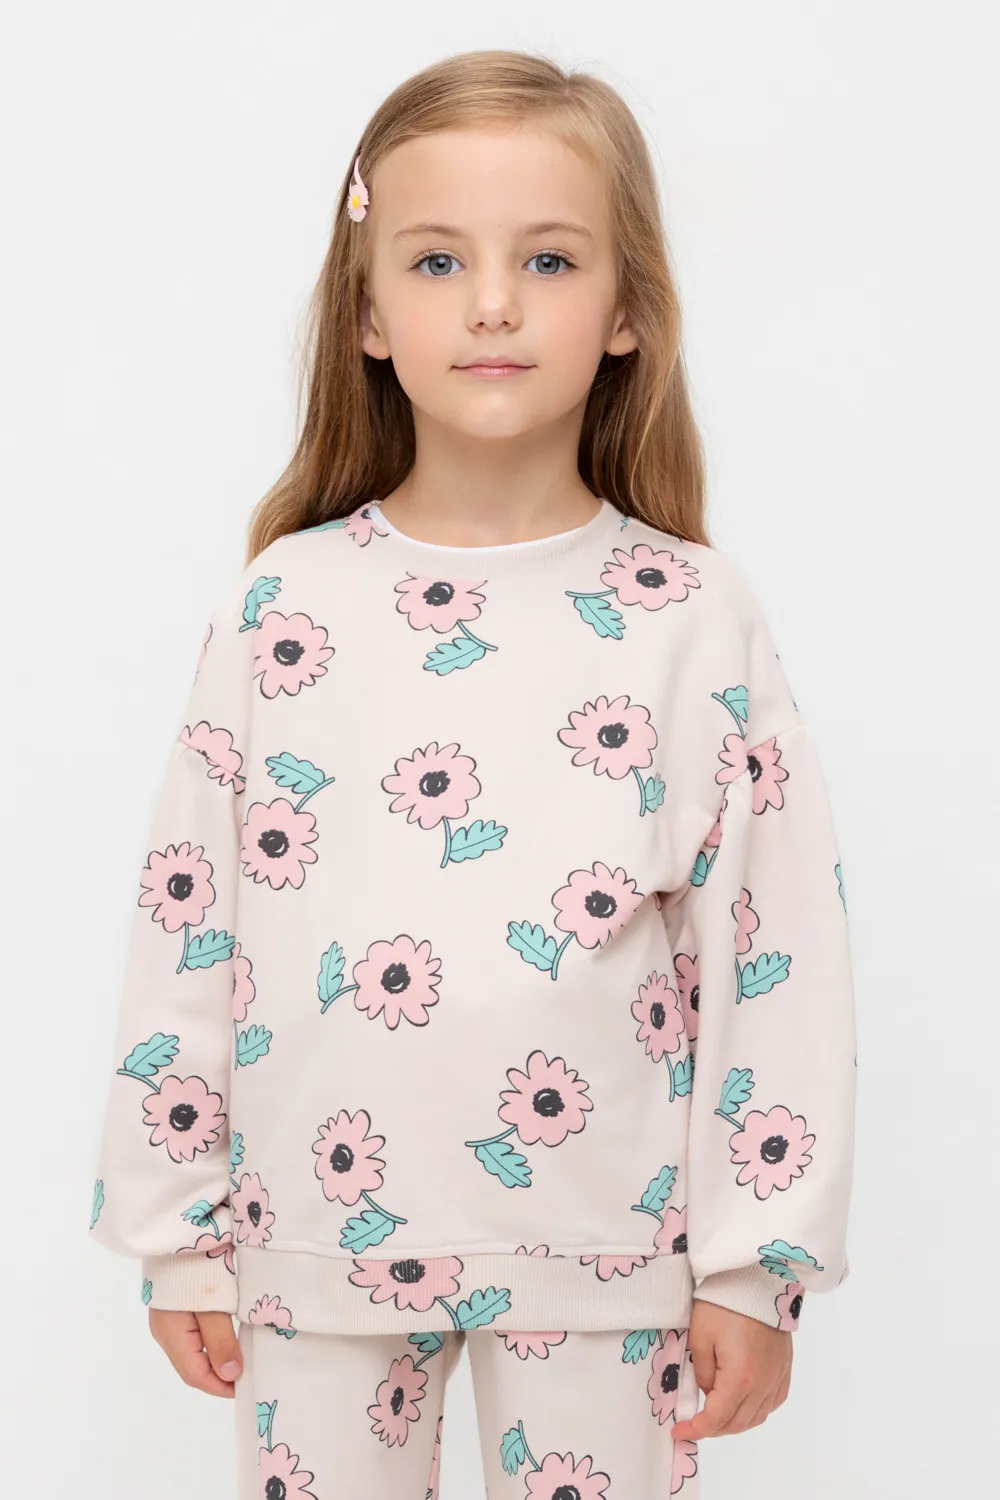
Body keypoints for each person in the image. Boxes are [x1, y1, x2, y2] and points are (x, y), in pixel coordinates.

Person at [87, 47, 858, 1500]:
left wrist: (757, 1261)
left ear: (626, 309)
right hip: (312, 1245)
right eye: (438, 260)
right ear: (368, 311)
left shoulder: (693, 615)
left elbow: (775, 953)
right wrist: (176, 1228)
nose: (492, 303)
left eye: (547, 259)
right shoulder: (282, 606)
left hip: (608, 1255)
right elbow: (189, 921)